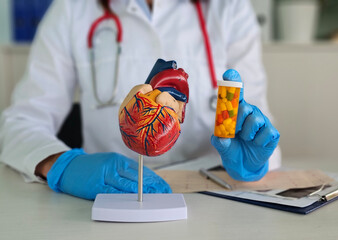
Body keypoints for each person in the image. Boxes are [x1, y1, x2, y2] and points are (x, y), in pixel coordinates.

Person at [0, 0, 280, 200]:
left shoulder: (228, 8)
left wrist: (252, 162)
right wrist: (61, 164)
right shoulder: (73, 8)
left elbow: (258, 123)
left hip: (212, 198)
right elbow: (20, 122)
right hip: (110, 199)